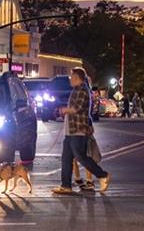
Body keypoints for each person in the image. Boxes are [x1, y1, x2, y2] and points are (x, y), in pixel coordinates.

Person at [52, 67, 110, 195]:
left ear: (77, 78)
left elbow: (76, 108)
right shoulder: (76, 90)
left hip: (78, 131)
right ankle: (66, 185)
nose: (70, 80)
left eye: (72, 77)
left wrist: (64, 110)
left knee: (81, 157)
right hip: (70, 131)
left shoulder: (83, 91)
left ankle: (103, 175)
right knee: (66, 158)